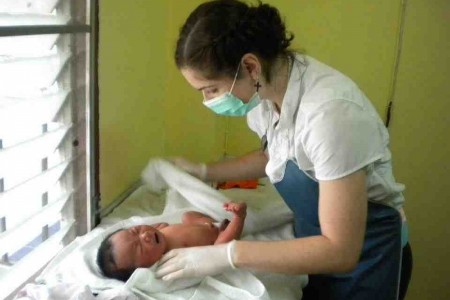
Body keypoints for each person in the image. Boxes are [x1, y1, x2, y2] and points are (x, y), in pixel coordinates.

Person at [154, 1, 413, 299]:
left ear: (250, 66)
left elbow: (341, 250)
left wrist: (227, 254)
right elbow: (274, 155)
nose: (208, 100)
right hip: (311, 250)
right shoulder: (264, 92)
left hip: (368, 260)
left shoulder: (331, 116)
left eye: (211, 89)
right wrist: (203, 171)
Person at [97, 202, 247, 281]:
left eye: (135, 231)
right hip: (215, 241)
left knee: (187, 216)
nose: (145, 235)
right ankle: (238, 218)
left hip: (203, 224)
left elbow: (162, 225)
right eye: (139, 248)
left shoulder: (159, 232)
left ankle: (217, 223)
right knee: (221, 247)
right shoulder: (171, 258)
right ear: (143, 269)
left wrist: (206, 224)